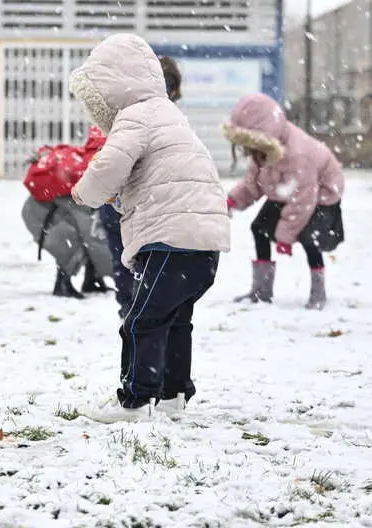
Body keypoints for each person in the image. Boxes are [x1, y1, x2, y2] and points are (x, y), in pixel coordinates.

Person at [69, 33, 230, 422]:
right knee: (176, 321)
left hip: (170, 241)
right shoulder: (171, 116)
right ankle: (173, 395)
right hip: (202, 242)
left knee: (141, 321)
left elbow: (110, 164)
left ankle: (136, 400)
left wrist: (83, 193)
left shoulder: (136, 116)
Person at [223, 93, 345, 310]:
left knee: (310, 239)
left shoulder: (297, 155)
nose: (245, 151)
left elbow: (303, 199)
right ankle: (261, 290)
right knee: (259, 228)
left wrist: (284, 236)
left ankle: (318, 292)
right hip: (287, 191)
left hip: (321, 195)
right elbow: (254, 184)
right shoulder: (265, 148)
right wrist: (232, 201)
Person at [98, 55, 183, 318]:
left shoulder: (123, 112)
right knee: (149, 265)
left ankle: (130, 310)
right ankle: (141, 313)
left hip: (119, 201)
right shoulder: (170, 121)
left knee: (125, 260)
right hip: (146, 204)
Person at [21, 126, 113, 299]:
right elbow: (93, 237)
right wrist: (113, 268)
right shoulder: (86, 179)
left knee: (87, 233)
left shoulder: (90, 167)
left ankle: (91, 280)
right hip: (40, 215)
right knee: (74, 240)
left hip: (45, 212)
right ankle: (62, 285)